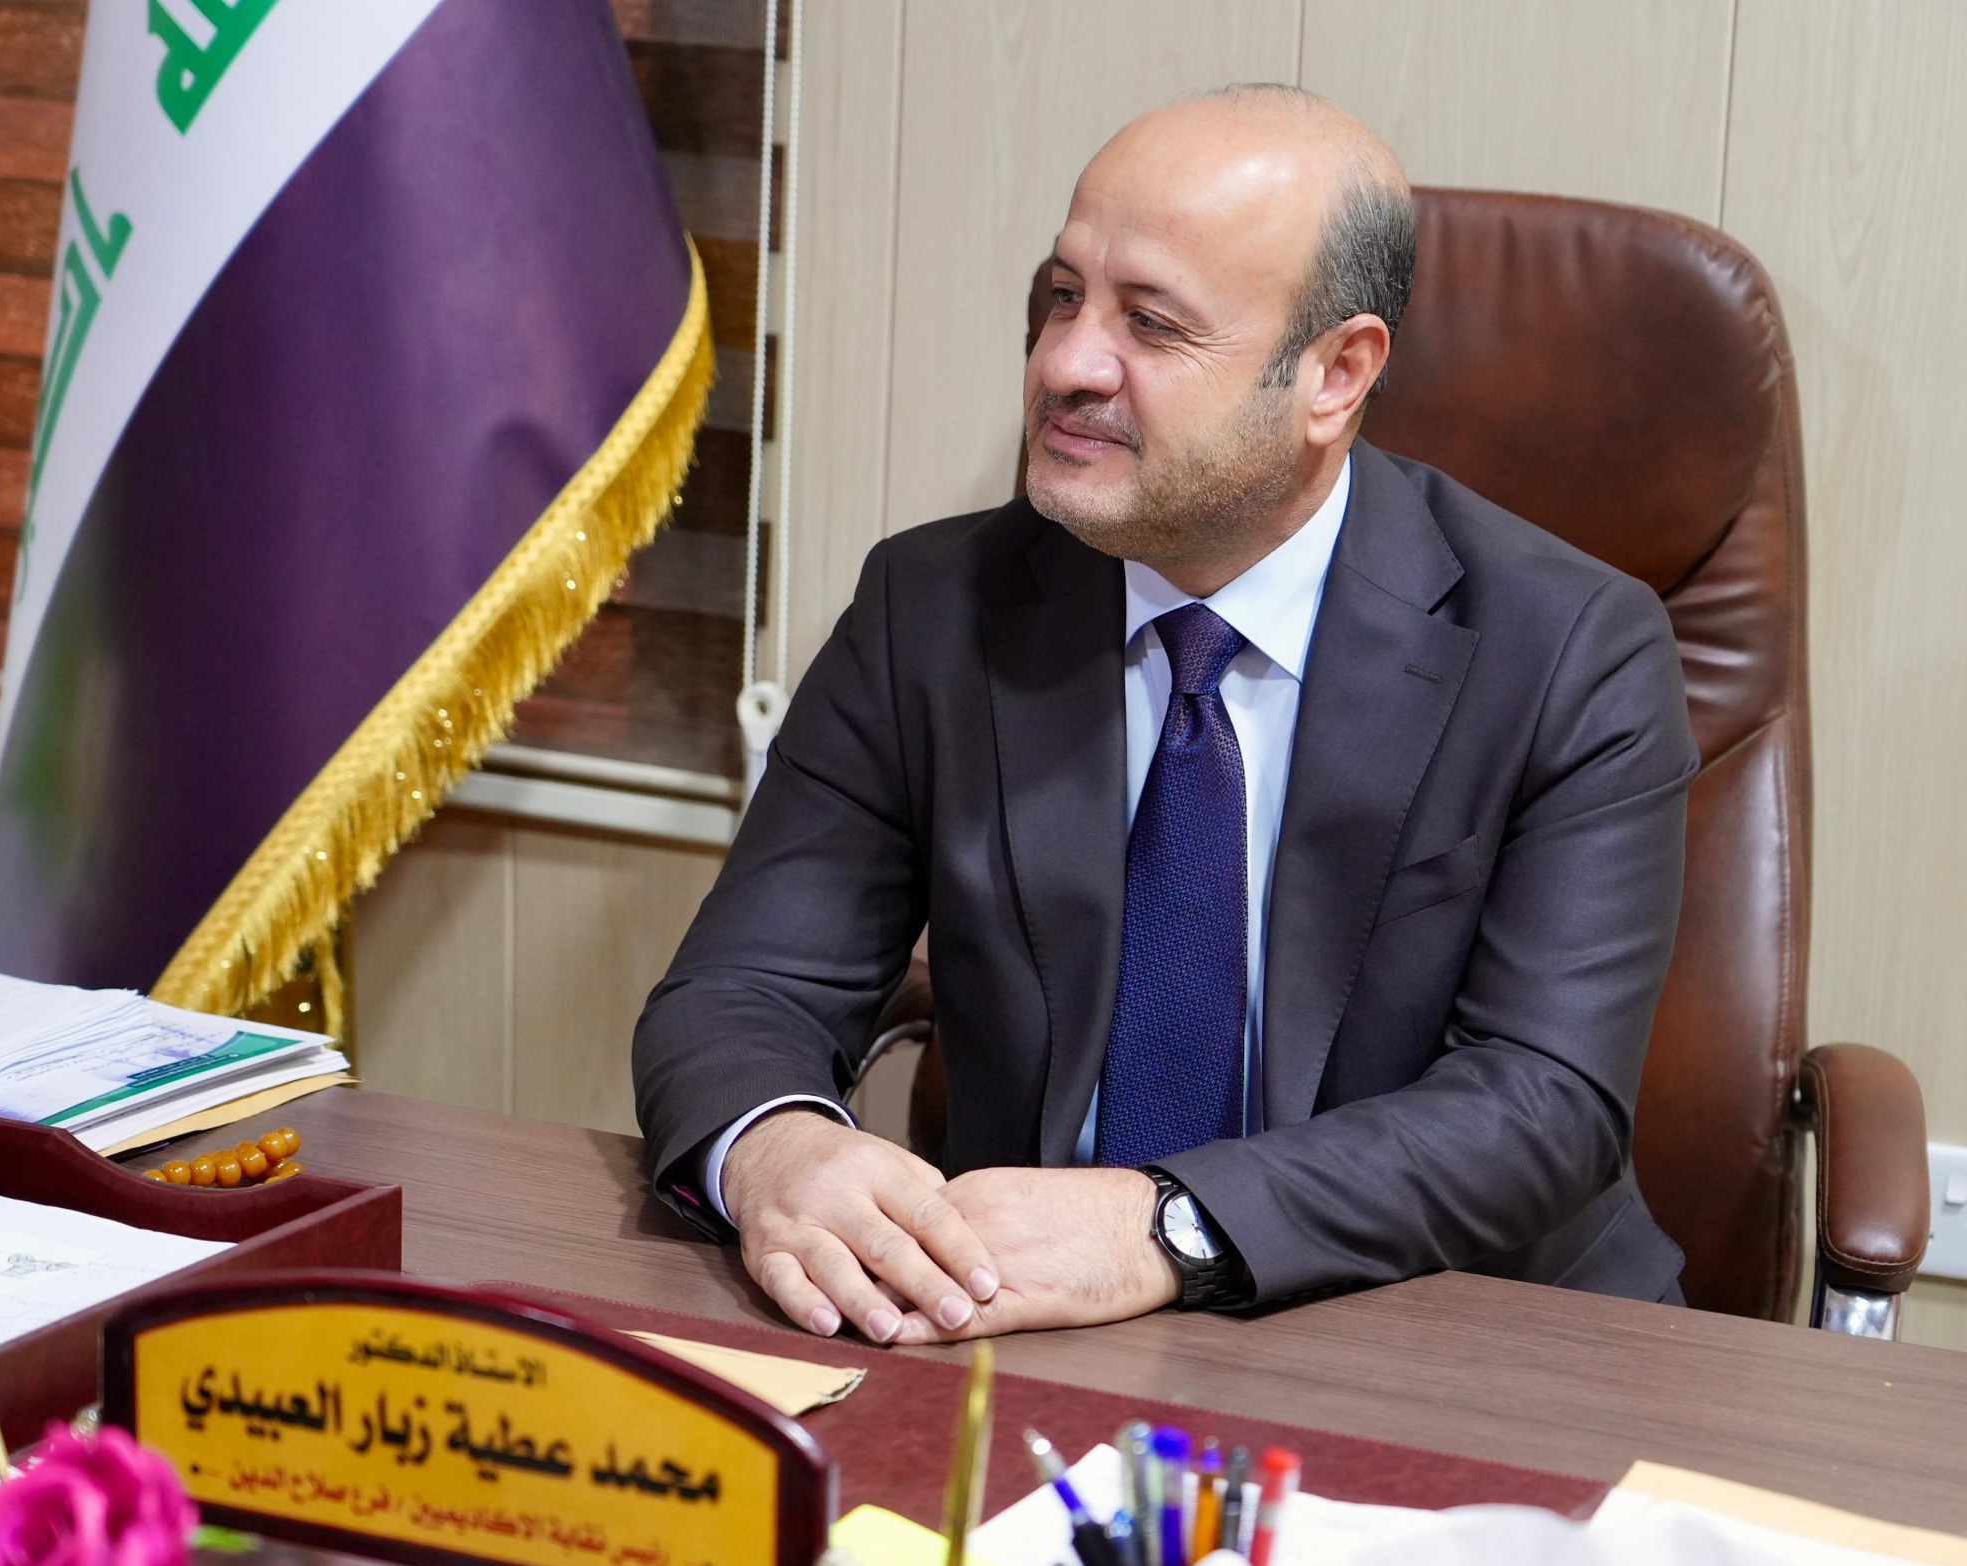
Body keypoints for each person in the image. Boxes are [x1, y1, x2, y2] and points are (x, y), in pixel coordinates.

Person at [633, 85, 1694, 1346]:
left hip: (1456, 1337)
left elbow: (1541, 1101)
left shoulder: (1568, 649)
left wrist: (1170, 1224)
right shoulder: (932, 608)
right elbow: (743, 986)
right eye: (1060, 296)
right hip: (1033, 1331)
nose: (1064, 363)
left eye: (1149, 322)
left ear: (1335, 374)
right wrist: (778, 1147)